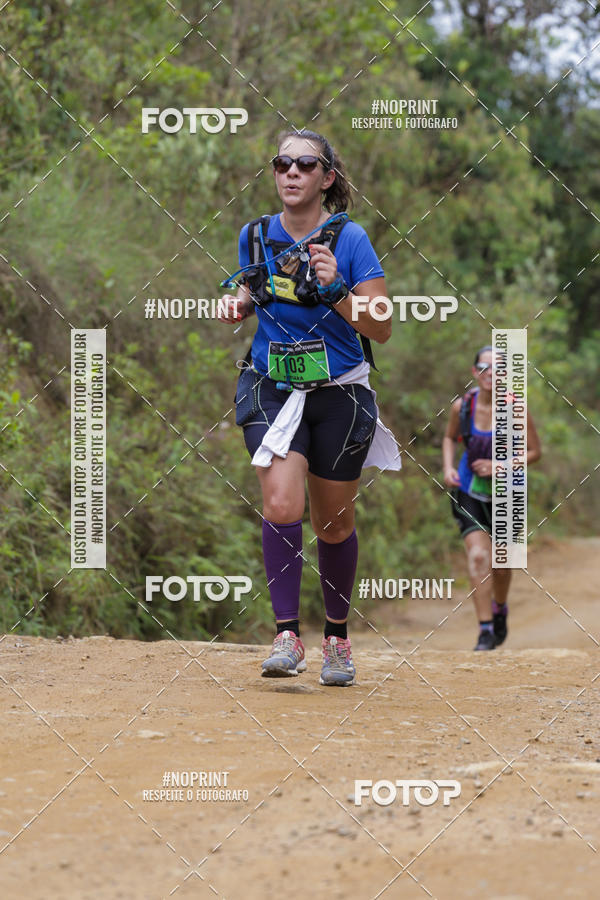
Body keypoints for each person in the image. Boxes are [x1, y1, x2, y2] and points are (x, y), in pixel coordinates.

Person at [218, 128, 400, 685]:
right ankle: (287, 635)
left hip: (340, 391)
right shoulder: (255, 236)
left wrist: (336, 289)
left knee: (335, 521)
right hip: (270, 385)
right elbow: (247, 291)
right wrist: (238, 303)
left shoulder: (350, 239)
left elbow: (383, 327)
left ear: (328, 178)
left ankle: (338, 639)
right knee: (279, 503)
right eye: (282, 163)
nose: (291, 172)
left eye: (305, 164)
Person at [442, 346, 541, 650]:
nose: (491, 374)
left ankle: (500, 609)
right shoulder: (464, 407)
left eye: (499, 369)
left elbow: (534, 452)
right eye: (485, 368)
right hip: (470, 491)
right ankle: (485, 630)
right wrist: (448, 467)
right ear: (475, 373)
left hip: (506, 494)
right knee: (478, 556)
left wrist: (499, 466)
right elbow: (449, 437)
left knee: (500, 564)